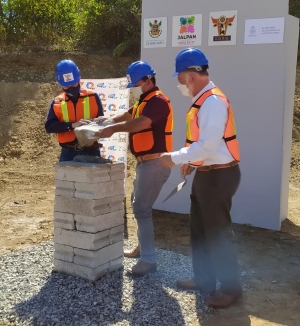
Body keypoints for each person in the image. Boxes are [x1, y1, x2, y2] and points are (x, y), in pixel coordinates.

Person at [159, 48, 242, 309]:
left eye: (180, 77)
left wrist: (175, 157)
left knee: (217, 233)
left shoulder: (213, 102)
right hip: (208, 175)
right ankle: (204, 279)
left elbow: (207, 146)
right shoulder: (204, 101)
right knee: (200, 230)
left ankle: (230, 289)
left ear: (191, 75)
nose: (180, 83)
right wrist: (192, 164)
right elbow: (206, 149)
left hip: (220, 176)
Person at [94, 61, 173, 276]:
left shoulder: (158, 102)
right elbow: (129, 115)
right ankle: (143, 248)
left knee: (142, 209)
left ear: (147, 79)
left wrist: (112, 129)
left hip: (155, 163)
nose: (135, 87)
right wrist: (107, 120)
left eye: (137, 82)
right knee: (138, 206)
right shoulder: (145, 100)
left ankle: (148, 259)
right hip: (146, 163)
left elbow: (140, 123)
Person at [45, 59, 104, 162]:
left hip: (91, 150)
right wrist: (72, 125)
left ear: (79, 79)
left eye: (73, 84)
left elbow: (101, 121)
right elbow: (49, 126)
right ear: (60, 84)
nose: (70, 88)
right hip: (68, 152)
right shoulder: (57, 102)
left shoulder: (92, 97)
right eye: (66, 85)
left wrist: (92, 137)